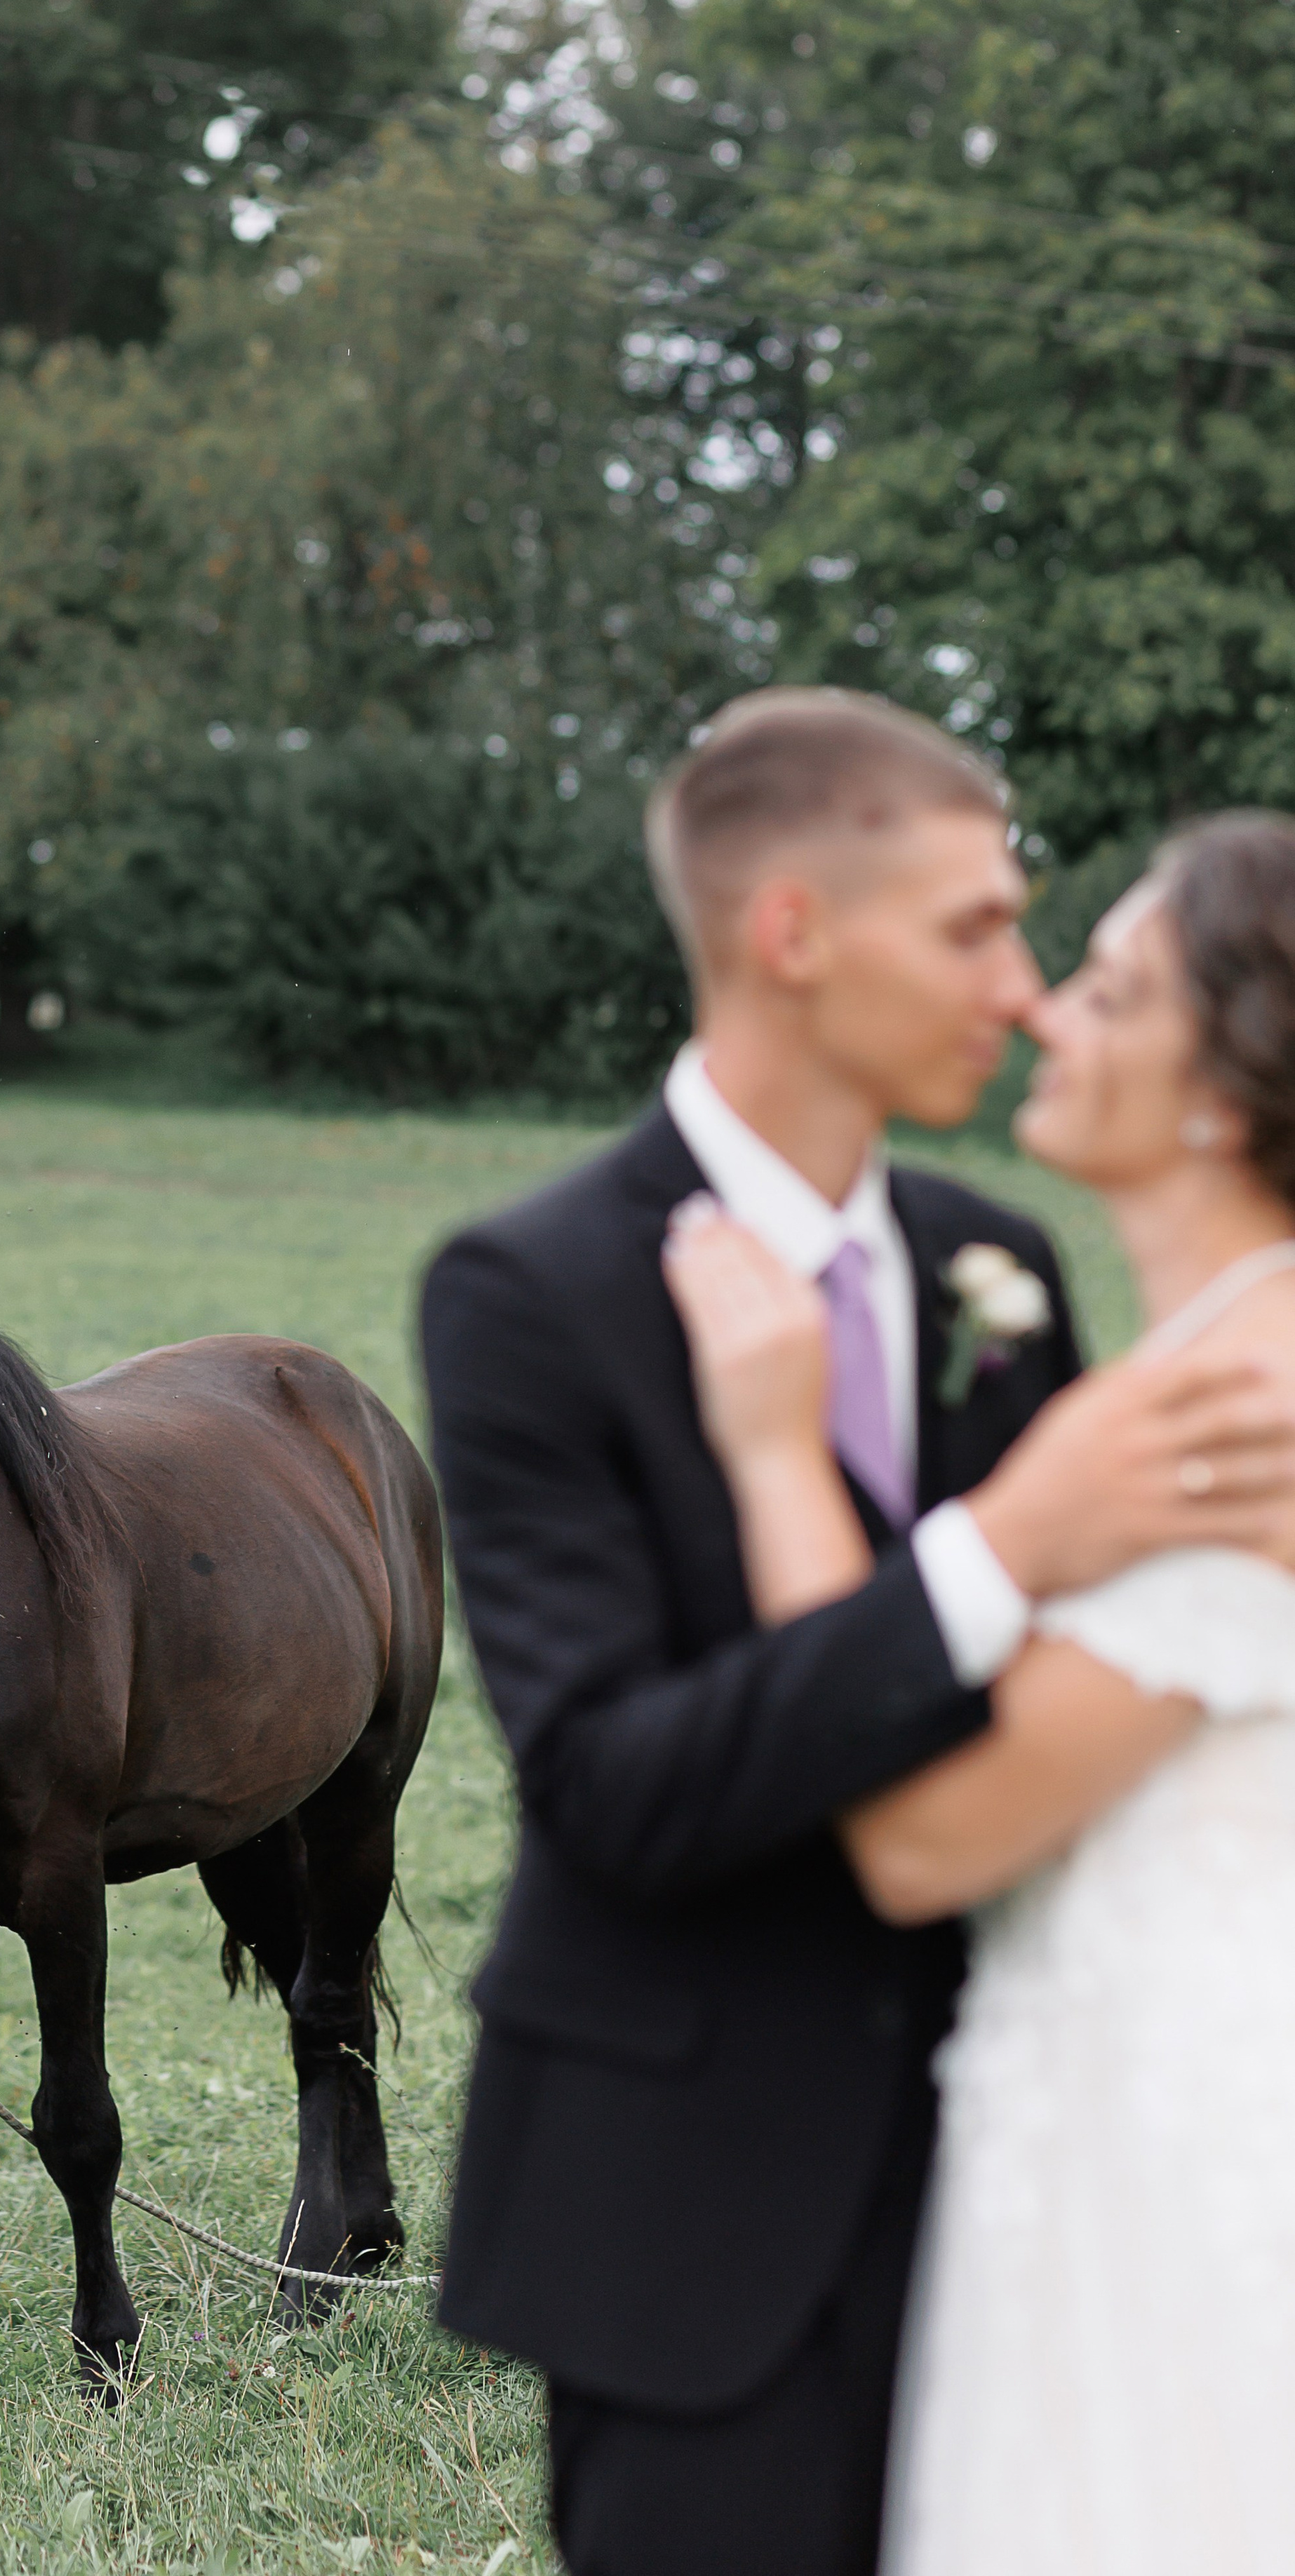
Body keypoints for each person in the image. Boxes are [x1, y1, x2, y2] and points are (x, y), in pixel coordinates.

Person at [420, 689, 1295, 2576]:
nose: (1022, 989)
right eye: (976, 929)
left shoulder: (1006, 1265)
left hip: (1045, 2189)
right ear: (794, 933)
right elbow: (613, 1785)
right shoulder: (533, 1289)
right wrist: (996, 1547)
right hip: (691, 2211)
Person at [666, 809, 1295, 2575]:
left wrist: (775, 1452)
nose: (1040, 1013)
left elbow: (925, 1834)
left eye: (1108, 991)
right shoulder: (1190, 1364)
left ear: (1220, 1089)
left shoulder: (1246, 1409)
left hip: (1190, 2143)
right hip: (1097, 2091)